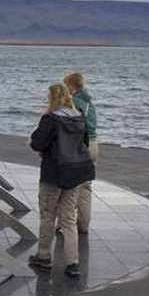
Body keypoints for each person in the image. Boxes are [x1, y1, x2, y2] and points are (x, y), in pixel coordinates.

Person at [28, 83, 95, 278]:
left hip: (53, 172)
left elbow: (37, 143)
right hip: (75, 173)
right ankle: (73, 263)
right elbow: (85, 143)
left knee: (48, 215)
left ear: (52, 98)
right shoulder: (79, 117)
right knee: (69, 219)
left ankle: (43, 256)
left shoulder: (50, 119)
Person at [64, 72, 98, 234]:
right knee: (86, 188)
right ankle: (83, 225)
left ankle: (66, 224)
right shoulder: (89, 102)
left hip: (79, 145)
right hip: (93, 143)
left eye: (66, 85)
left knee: (69, 188)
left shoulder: (74, 102)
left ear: (71, 85)